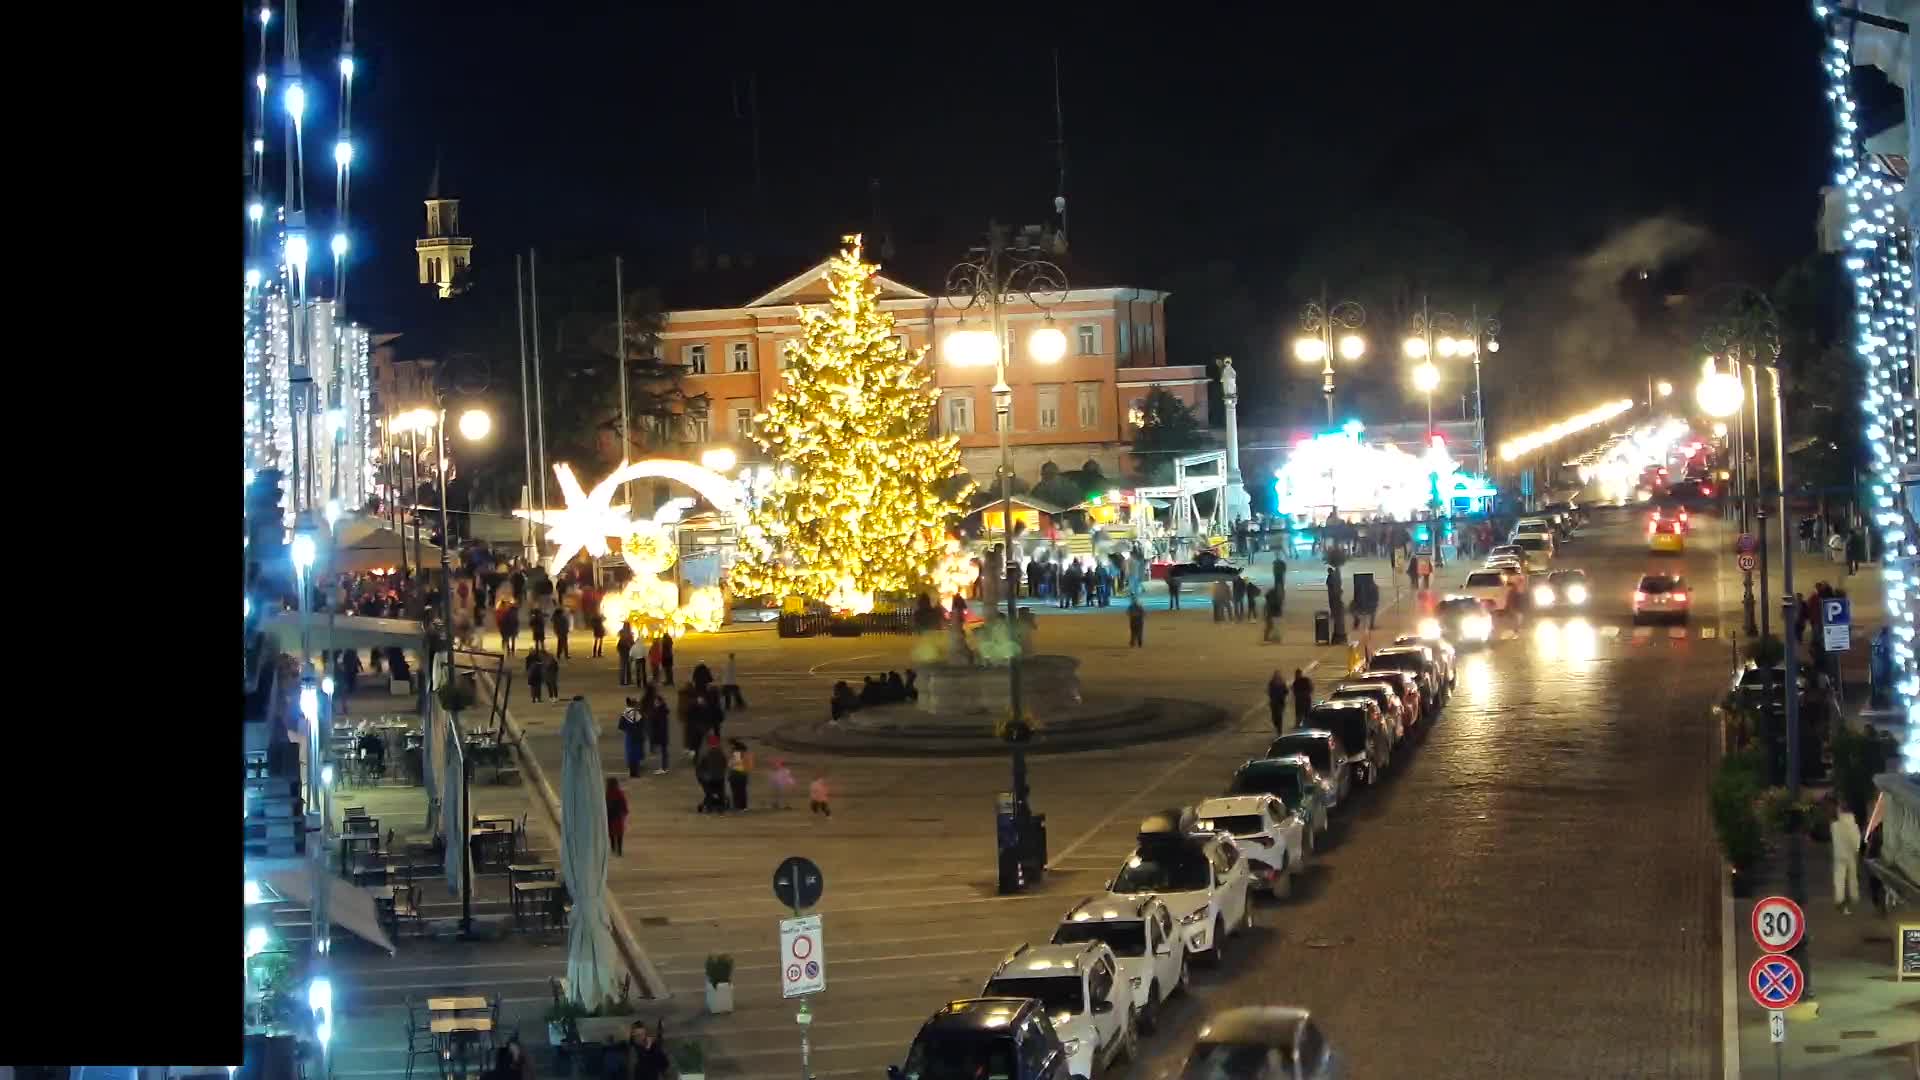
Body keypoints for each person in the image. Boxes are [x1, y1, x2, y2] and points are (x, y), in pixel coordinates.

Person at [1831, 799, 1862, 915]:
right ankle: (1853, 896)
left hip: (1839, 854)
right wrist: (1858, 849)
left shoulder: (1835, 824)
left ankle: (1839, 899)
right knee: (1852, 876)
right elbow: (1855, 839)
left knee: (1839, 877)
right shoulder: (1851, 822)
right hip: (1850, 854)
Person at [695, 733, 729, 813]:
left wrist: (701, 776)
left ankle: (710, 807)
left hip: (708, 778)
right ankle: (721, 807)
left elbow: (700, 767)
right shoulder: (721, 754)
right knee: (720, 792)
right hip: (719, 777)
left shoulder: (705, 754)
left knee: (709, 792)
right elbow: (725, 764)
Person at [619, 697, 648, 779]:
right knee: (635, 754)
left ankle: (633, 771)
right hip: (637, 736)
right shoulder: (637, 713)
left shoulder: (626, 712)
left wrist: (627, 730)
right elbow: (643, 724)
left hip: (630, 736)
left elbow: (621, 726)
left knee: (631, 754)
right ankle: (634, 772)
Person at [647, 689, 671, 774]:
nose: (654, 703)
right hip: (663, 734)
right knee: (663, 752)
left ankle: (663, 768)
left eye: (656, 702)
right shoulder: (662, 710)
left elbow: (658, 724)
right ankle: (664, 767)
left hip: (661, 735)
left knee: (663, 752)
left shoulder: (659, 711)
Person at [727, 738, 754, 811]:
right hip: (743, 774)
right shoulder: (747, 755)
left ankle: (737, 806)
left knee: (736, 792)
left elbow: (730, 765)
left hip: (736, 774)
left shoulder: (736, 754)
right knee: (742, 791)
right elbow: (750, 767)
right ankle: (743, 807)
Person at [605, 777, 629, 856]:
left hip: (609, 816)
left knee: (611, 833)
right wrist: (625, 812)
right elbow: (623, 803)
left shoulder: (607, 793)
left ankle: (613, 848)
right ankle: (619, 850)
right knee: (619, 834)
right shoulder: (619, 793)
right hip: (618, 816)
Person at [615, 622, 636, 686]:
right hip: (626, 651)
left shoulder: (622, 633)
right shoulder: (628, 634)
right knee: (626, 666)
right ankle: (627, 681)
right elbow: (631, 643)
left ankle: (624, 681)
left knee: (624, 666)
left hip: (623, 651)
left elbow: (619, 644)